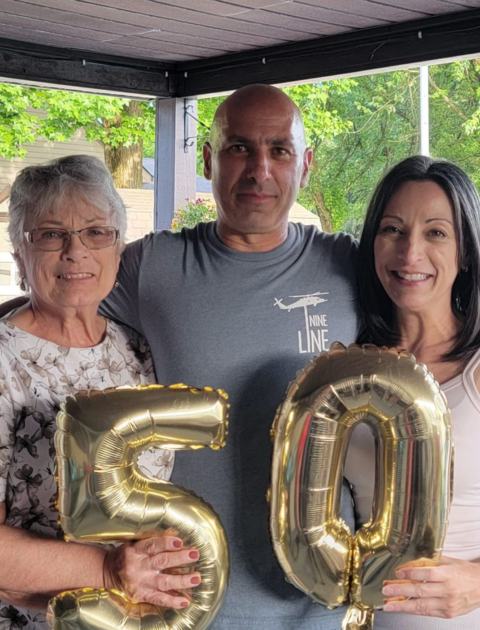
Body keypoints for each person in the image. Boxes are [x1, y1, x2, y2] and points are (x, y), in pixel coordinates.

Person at [101, 84, 359, 630]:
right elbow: (46, 306)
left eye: (279, 150)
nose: (259, 170)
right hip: (189, 601)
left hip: (322, 606)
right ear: (208, 160)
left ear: (306, 164)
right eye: (239, 147)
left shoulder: (351, 267)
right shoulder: (153, 267)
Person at [0, 156, 201, 630]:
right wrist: (108, 571)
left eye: (96, 232)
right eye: (51, 234)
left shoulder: (136, 347)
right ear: (19, 253)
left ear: (118, 248)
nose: (76, 252)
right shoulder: (5, 360)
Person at [344, 155, 480, 629]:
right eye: (393, 229)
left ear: (466, 252)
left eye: (435, 232)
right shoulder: (350, 366)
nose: (409, 253)